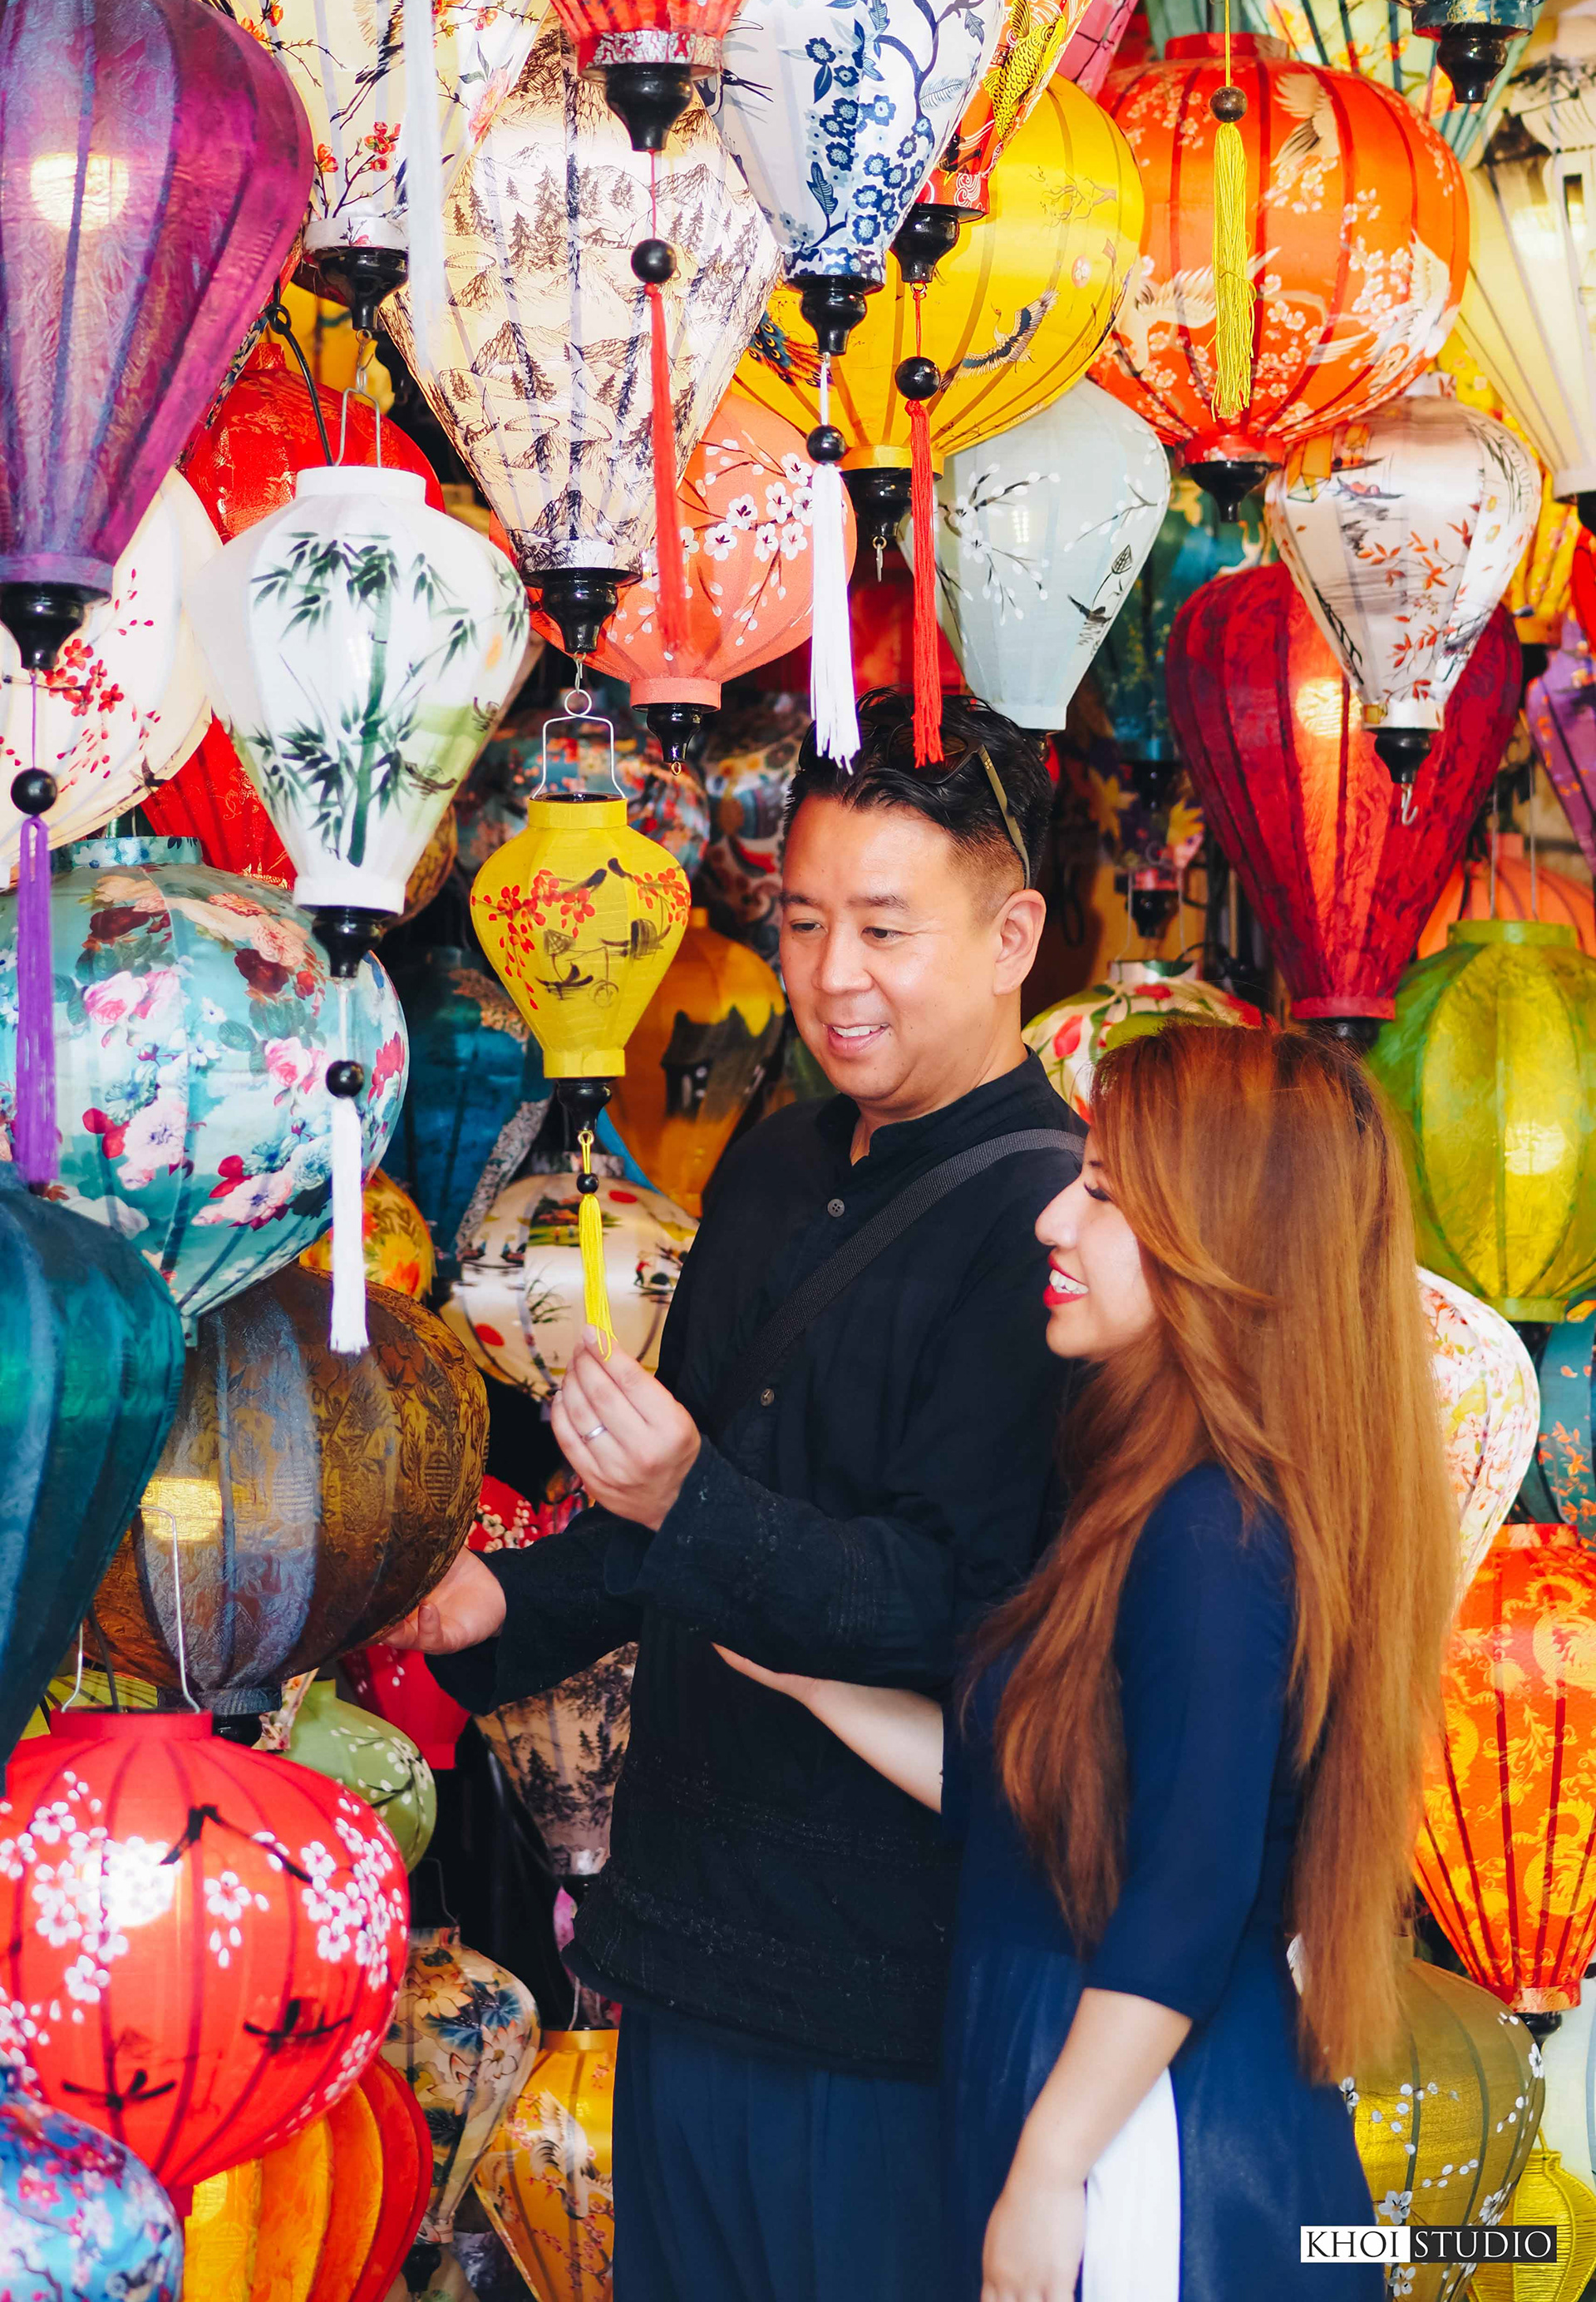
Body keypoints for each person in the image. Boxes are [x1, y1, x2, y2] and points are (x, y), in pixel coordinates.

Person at [387, 691, 1085, 2302]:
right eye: (804, 923)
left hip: (880, 1994)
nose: (834, 977)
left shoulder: (1050, 1229)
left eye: (888, 929)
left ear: (1013, 935)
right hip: (688, 1941)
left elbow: (969, 1612)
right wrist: (497, 1607)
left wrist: (694, 1496)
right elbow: (663, 1529)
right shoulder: (772, 1168)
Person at [720, 1021, 1458, 2302]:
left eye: (1105, 1194)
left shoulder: (1211, 1532)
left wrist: (1051, 2167)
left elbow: (1188, 1889)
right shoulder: (1163, 1495)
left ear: (1224, 1241)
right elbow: (1038, 1798)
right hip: (1096, 2083)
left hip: (1144, 2135)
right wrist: (806, 1682)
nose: (1054, 1220)